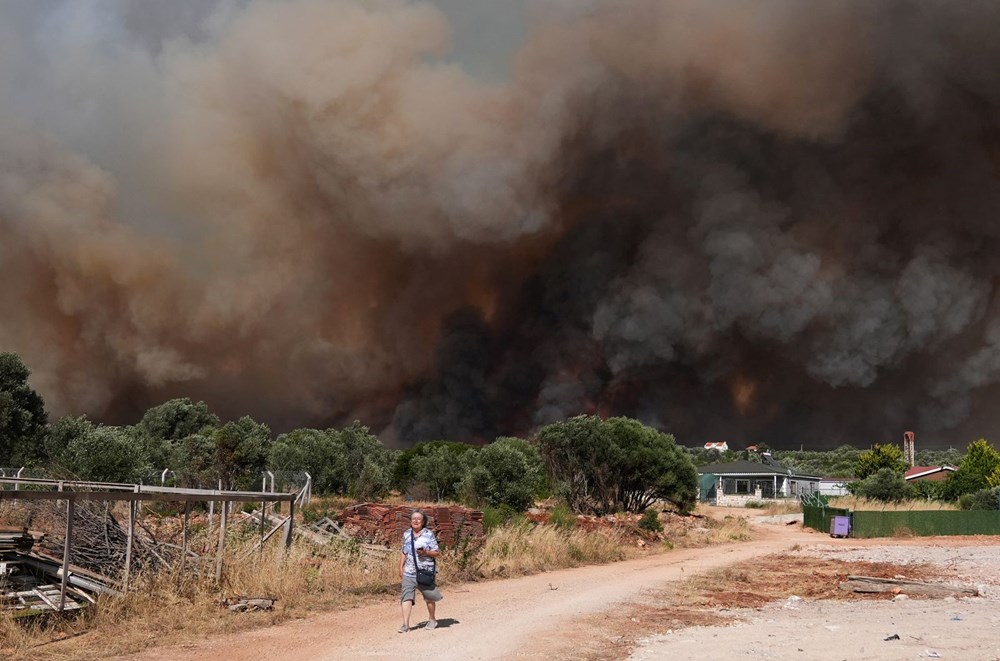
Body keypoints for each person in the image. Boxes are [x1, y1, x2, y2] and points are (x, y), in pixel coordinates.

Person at [398, 510, 443, 633]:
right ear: (410, 521)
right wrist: (401, 567)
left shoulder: (429, 535)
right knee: (406, 597)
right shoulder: (407, 534)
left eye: (419, 519)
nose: (416, 521)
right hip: (409, 571)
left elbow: (437, 553)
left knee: (429, 598)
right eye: (414, 519)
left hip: (425, 571)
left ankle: (432, 619)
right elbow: (404, 551)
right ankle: (405, 625)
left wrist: (425, 552)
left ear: (423, 522)